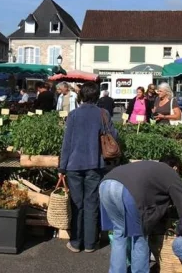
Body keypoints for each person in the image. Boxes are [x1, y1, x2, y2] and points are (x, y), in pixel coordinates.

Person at [99, 157, 182, 273]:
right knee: (140, 236)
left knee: (119, 234)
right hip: (127, 191)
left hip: (106, 184)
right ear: (176, 168)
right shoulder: (170, 173)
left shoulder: (151, 167)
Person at [59, 82, 117, 253]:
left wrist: (61, 169)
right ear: (97, 96)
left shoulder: (73, 114)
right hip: (95, 164)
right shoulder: (102, 113)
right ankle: (91, 243)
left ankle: (76, 242)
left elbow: (67, 143)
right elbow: (114, 136)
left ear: (81, 96)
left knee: (77, 204)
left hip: (73, 165)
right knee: (92, 203)